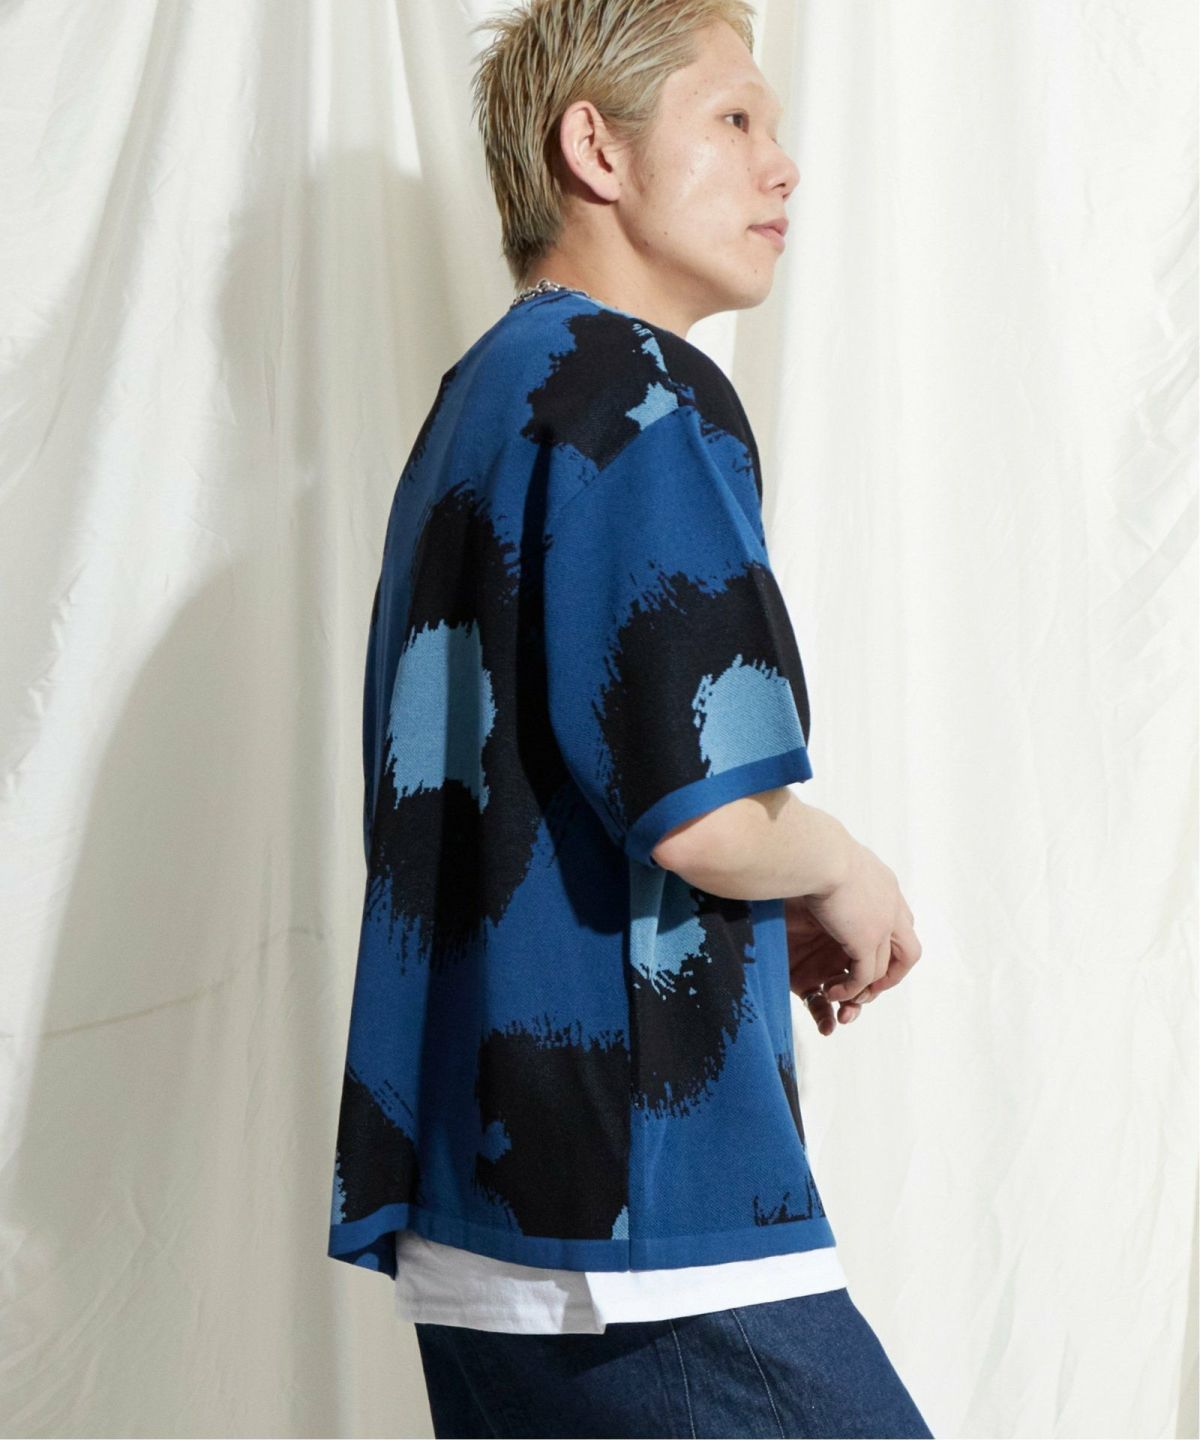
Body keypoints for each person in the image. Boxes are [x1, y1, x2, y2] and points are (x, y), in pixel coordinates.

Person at [327, 1, 932, 1435]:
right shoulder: (646, 391)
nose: (782, 165)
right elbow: (707, 814)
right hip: (643, 1214)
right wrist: (841, 865)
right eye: (734, 119)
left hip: (475, 1206)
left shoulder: (478, 403)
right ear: (594, 149)